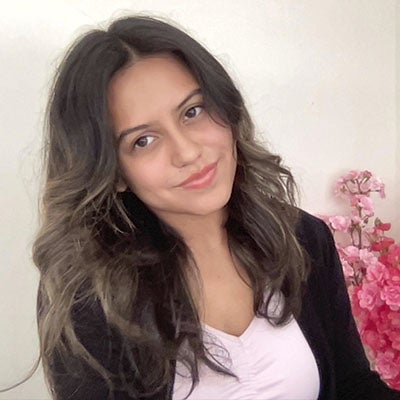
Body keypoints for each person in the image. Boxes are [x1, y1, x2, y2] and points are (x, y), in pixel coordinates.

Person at [32, 15, 400, 400]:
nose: (188, 151)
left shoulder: (302, 239)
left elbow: (353, 386)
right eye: (143, 140)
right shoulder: (89, 297)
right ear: (114, 171)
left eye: (193, 112)